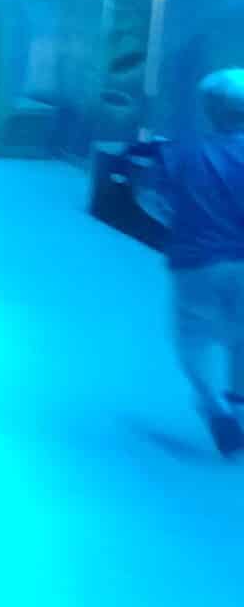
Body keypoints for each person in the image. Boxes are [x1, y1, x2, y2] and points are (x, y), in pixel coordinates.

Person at [128, 69, 244, 459]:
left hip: (195, 260)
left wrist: (180, 222)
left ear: (209, 109)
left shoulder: (181, 152)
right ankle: (239, 406)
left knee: (192, 337)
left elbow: (147, 197)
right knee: (241, 338)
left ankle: (214, 408)